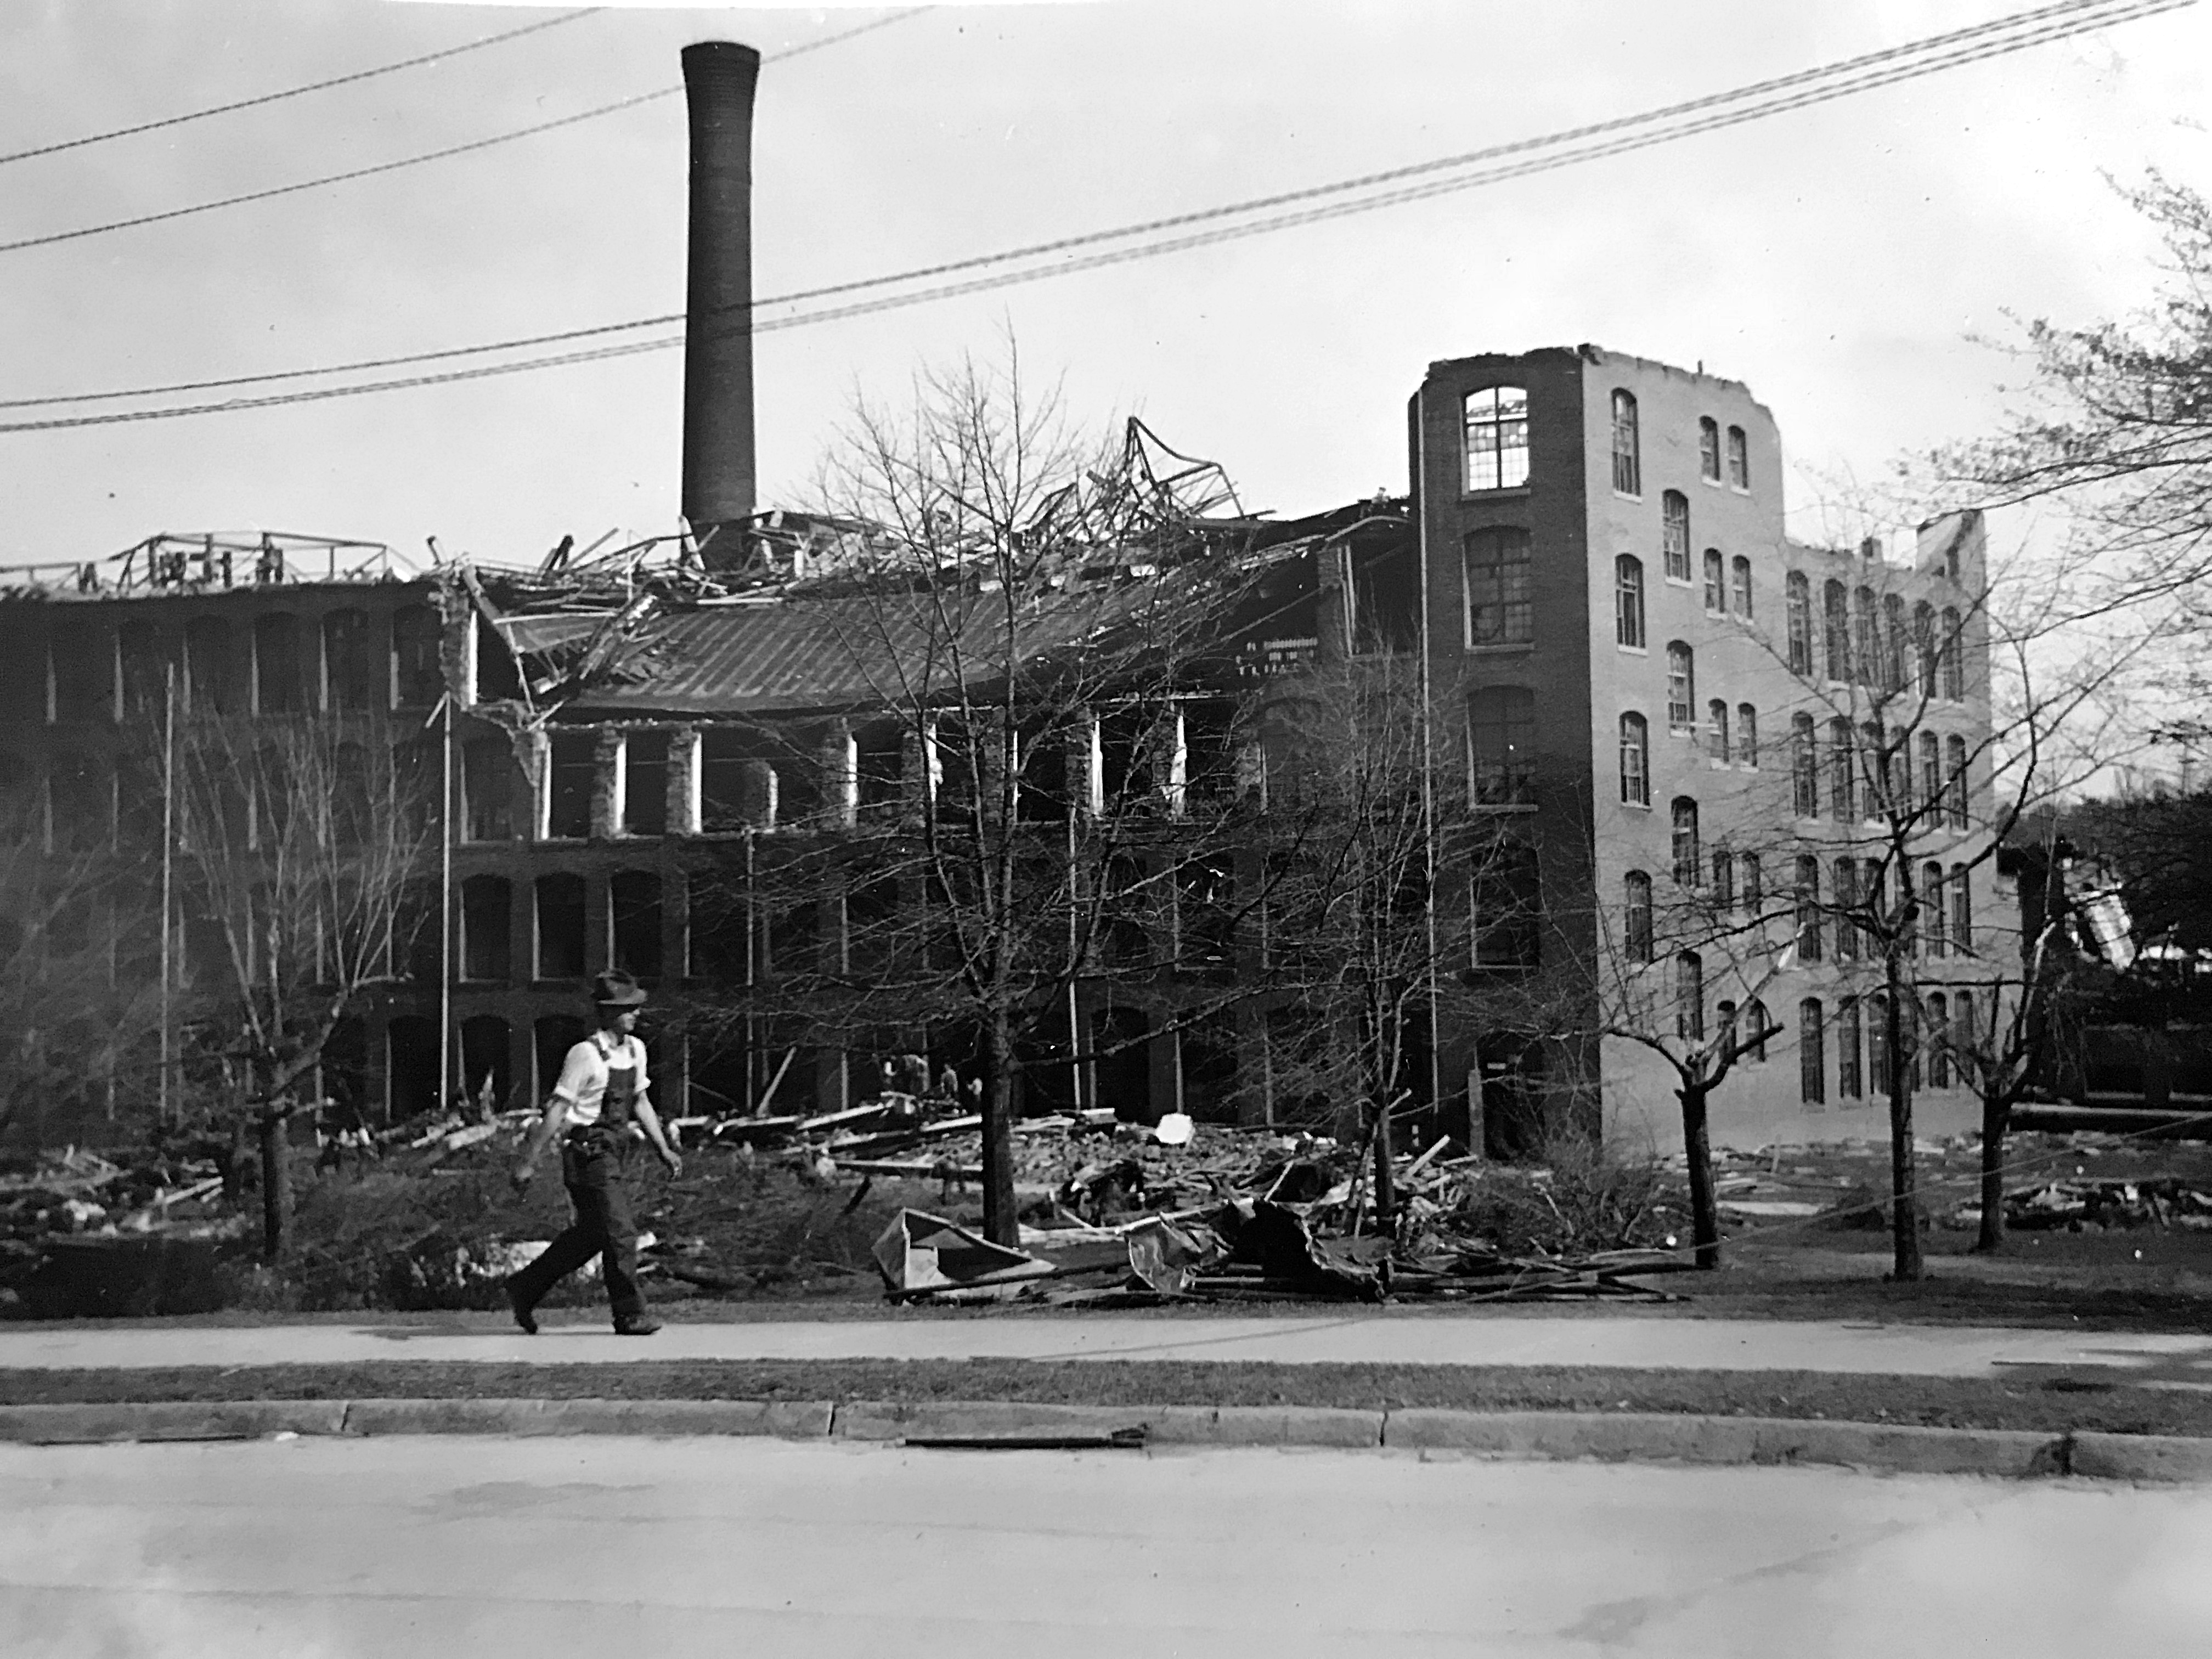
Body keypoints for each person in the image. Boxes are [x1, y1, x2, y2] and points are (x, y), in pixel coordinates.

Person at [504, 970, 682, 1335]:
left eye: (636, 1008)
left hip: (614, 1152)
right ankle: (630, 1314)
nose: (636, 1014)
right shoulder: (584, 1054)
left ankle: (525, 1287)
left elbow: (641, 1102)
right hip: (587, 1154)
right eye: (627, 1008)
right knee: (621, 1232)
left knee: (591, 1236)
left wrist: (663, 1148)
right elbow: (556, 1110)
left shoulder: (636, 1050)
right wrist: (527, 1162)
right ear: (606, 1012)